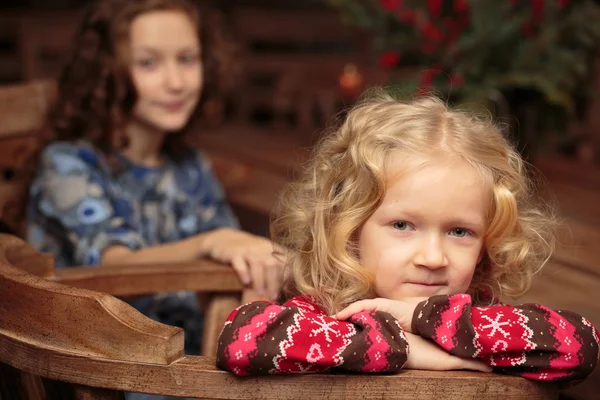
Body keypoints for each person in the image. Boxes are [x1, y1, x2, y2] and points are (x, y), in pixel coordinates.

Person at [216, 93, 599, 383]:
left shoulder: (476, 318)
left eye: (460, 232)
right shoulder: (327, 309)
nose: (433, 257)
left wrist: (420, 318)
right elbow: (244, 340)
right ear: (349, 229)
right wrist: (406, 349)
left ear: (487, 244)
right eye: (403, 225)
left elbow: (580, 345)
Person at [27, 0, 284, 359]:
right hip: (106, 365)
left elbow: (234, 261)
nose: (175, 82)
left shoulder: (189, 165)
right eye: (148, 63)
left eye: (187, 59)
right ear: (107, 72)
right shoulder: (67, 165)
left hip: (191, 357)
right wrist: (211, 241)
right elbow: (113, 268)